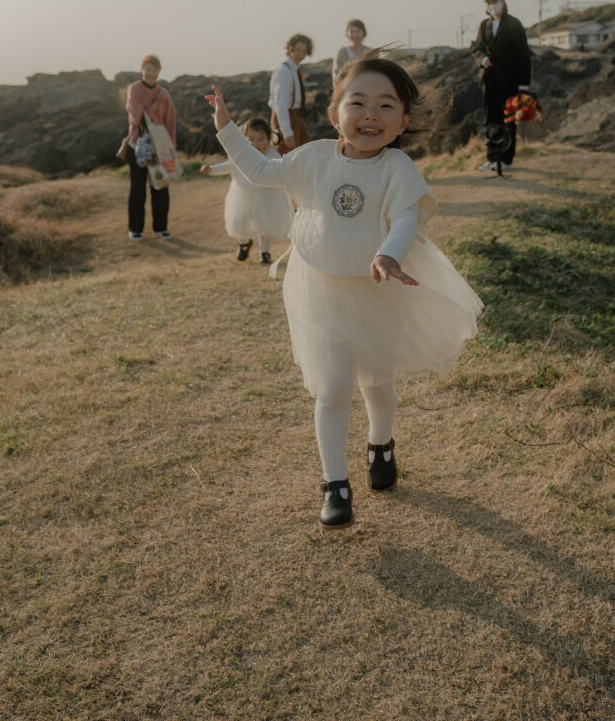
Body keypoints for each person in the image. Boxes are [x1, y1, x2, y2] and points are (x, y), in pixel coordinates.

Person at [206, 54, 482, 530]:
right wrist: (227, 128)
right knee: (331, 388)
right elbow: (259, 172)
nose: (371, 114)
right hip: (318, 290)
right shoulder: (313, 157)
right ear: (336, 114)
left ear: (403, 121)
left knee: (375, 380)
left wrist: (389, 254)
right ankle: (335, 483)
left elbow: (405, 219)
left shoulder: (397, 168)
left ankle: (381, 443)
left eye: (386, 105)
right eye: (358, 103)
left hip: (376, 288)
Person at [200, 117, 293, 264]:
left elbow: (281, 171)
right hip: (243, 194)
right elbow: (228, 166)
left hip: (267, 195)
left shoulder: (273, 156)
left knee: (265, 224)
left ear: (269, 140)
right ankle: (244, 243)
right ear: (244, 139)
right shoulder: (241, 156)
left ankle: (265, 252)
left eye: (261, 139)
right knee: (239, 222)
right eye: (251, 139)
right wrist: (211, 170)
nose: (255, 144)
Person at [471, 0, 531, 175]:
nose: (492, 5)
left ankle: (506, 159)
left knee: (509, 121)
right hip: (489, 81)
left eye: (495, 1)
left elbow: (523, 56)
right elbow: (477, 49)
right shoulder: (484, 25)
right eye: (488, 3)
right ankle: (491, 158)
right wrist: (482, 60)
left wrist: (524, 84)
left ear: (503, 2)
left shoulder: (514, 24)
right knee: (491, 121)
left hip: (510, 81)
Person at [125, 55, 177, 241]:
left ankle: (160, 228)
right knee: (138, 189)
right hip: (138, 145)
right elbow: (137, 118)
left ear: (159, 71)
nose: (150, 72)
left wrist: (172, 147)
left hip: (160, 147)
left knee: (161, 187)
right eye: (147, 68)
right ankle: (135, 229)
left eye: (153, 69)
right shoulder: (135, 90)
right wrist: (156, 104)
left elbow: (170, 122)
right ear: (142, 70)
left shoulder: (165, 93)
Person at [268, 34, 313, 154]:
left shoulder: (294, 69)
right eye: (298, 50)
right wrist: (286, 131)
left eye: (304, 51)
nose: (301, 54)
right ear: (290, 49)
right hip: (284, 116)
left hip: (295, 115)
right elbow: (280, 103)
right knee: (287, 154)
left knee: (307, 151)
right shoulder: (284, 70)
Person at [332, 18, 372, 83]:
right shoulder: (342, 52)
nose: (354, 35)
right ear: (347, 34)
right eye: (351, 32)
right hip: (348, 89)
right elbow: (336, 74)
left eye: (358, 31)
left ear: (364, 32)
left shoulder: (371, 51)